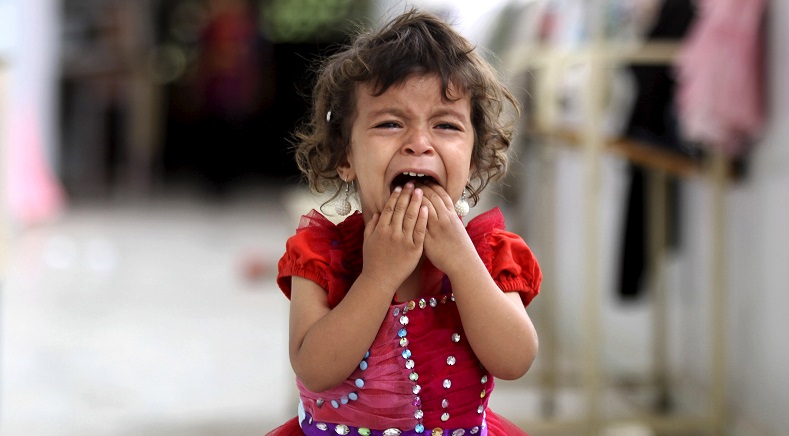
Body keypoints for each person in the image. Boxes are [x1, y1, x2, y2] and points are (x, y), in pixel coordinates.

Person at [268, 9, 541, 436]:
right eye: (390, 123)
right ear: (345, 157)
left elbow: (515, 360)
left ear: (471, 161)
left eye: (446, 125)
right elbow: (314, 369)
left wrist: (461, 262)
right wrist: (379, 276)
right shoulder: (321, 256)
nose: (418, 144)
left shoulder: (487, 254)